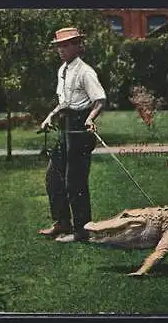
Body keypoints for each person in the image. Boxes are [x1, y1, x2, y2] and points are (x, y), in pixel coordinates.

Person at [38, 27, 106, 242]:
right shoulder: (63, 70)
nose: (62, 49)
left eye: (67, 45)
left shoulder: (86, 72)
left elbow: (100, 100)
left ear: (78, 46)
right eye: (59, 45)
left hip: (80, 128)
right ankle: (62, 222)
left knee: (75, 182)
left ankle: (82, 231)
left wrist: (90, 118)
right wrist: (50, 116)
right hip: (65, 126)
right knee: (53, 177)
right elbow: (64, 102)